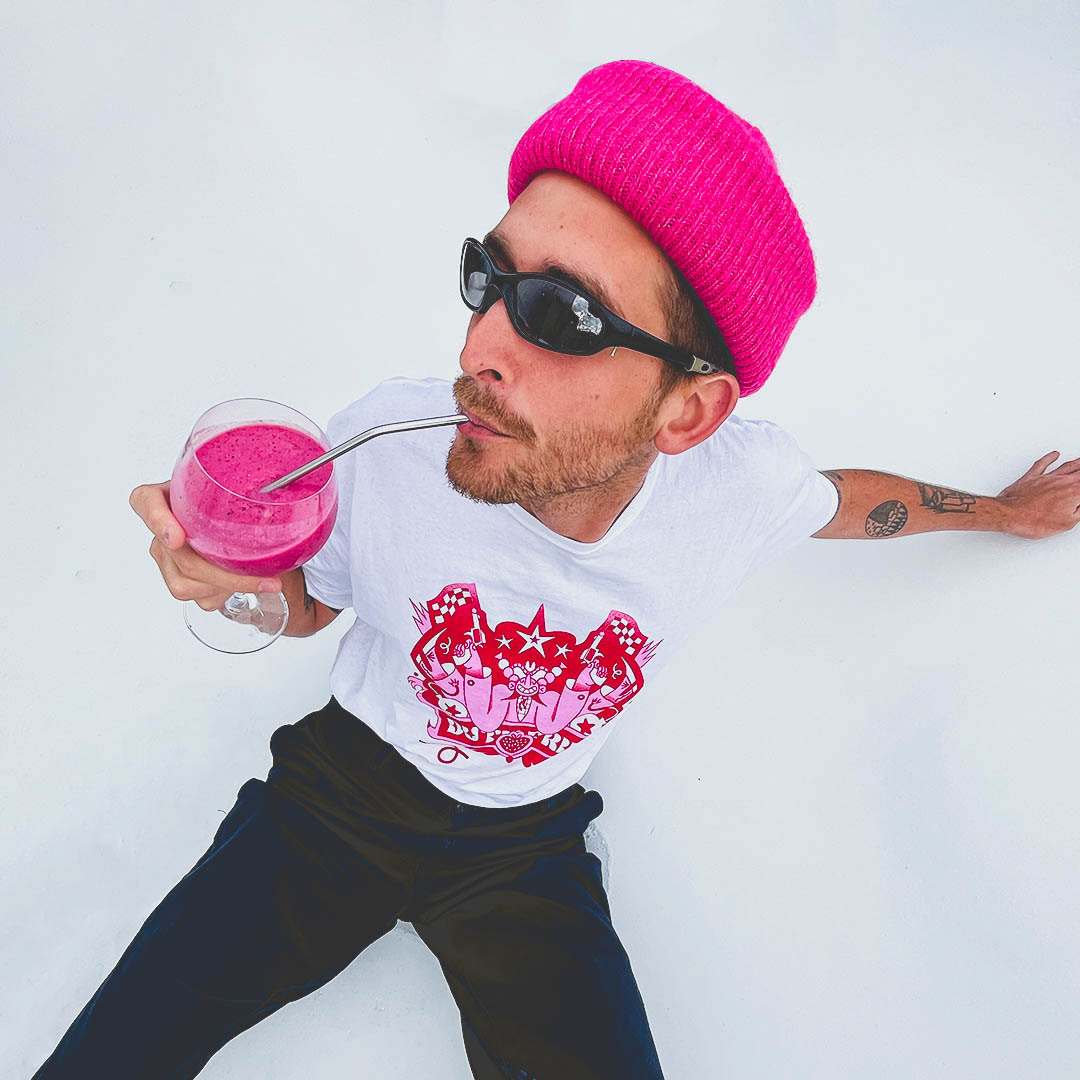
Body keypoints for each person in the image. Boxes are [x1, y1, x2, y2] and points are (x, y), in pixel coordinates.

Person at [33, 59, 1080, 1080]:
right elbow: (312, 605)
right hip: (341, 795)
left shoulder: (735, 490)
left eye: (560, 315)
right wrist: (243, 584)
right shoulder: (388, 447)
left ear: (689, 411)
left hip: (521, 844)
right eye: (487, 280)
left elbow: (845, 501)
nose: (478, 348)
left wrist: (1002, 512)